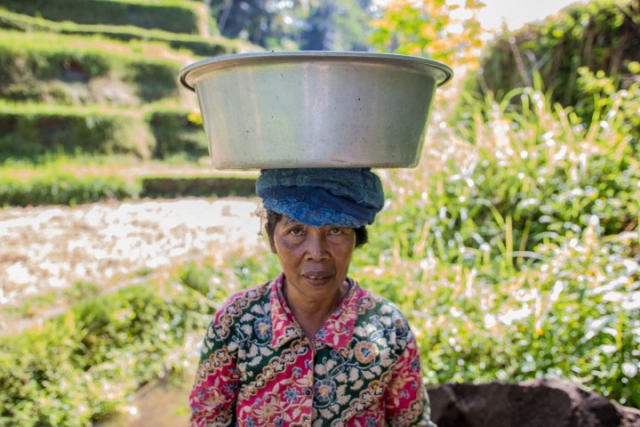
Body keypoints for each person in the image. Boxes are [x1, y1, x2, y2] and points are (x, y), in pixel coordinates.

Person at [189, 168, 435, 427]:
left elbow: (411, 422)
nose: (317, 253)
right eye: (296, 231)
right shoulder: (236, 321)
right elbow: (208, 420)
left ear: (357, 239)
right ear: (272, 239)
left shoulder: (388, 328)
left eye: (336, 231)